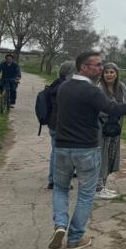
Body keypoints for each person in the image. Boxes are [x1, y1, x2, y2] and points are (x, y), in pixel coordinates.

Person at [49, 51, 126, 249]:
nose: (101, 68)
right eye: (96, 65)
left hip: (62, 147)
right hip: (86, 148)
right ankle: (74, 238)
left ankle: (60, 224)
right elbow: (116, 110)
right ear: (83, 67)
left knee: (61, 188)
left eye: (101, 64)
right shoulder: (92, 91)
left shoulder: (64, 88)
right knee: (86, 194)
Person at [95, 63, 126, 199]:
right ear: (103, 75)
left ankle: (103, 185)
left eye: (112, 72)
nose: (109, 75)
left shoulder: (121, 87)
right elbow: (98, 108)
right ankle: (97, 188)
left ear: (116, 74)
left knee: (111, 156)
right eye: (106, 72)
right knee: (101, 156)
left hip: (116, 127)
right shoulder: (99, 88)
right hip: (102, 128)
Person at [46, 61, 76, 189]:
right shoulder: (67, 87)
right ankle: (61, 181)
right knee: (64, 154)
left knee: (55, 152)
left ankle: (52, 179)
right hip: (64, 125)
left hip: (53, 123)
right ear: (70, 72)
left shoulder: (55, 83)